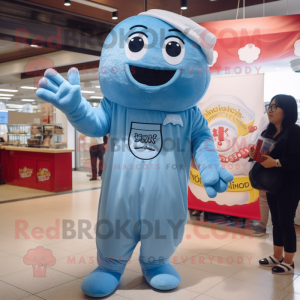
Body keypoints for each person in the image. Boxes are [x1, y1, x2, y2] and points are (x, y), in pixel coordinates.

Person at [249, 94, 300, 274]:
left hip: (290, 184)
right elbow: (262, 159)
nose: (269, 111)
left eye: (274, 107)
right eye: (268, 107)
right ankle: (277, 256)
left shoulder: (294, 131)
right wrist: (253, 155)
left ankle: (289, 261)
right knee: (276, 221)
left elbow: (296, 160)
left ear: (286, 110)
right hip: (272, 183)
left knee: (286, 222)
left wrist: (277, 163)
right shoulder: (268, 132)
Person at [252, 110, 270, 236]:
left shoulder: (292, 131)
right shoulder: (265, 119)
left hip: (283, 168)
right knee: (263, 195)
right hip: (265, 164)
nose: (271, 111)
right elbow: (260, 137)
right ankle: (262, 225)